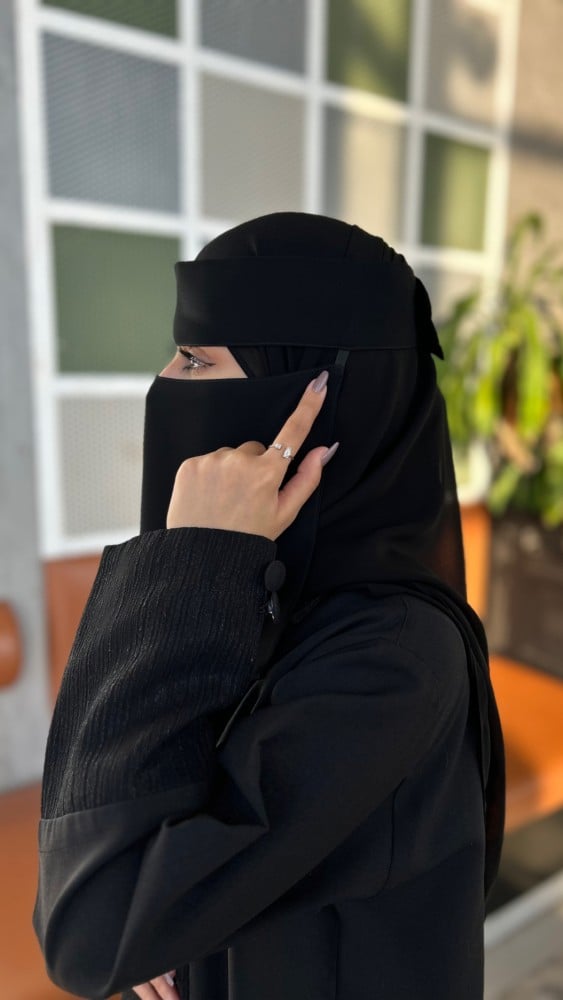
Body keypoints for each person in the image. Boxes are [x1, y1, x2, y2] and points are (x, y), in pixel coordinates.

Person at [32, 212, 505, 1000]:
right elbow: (142, 869)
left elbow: (88, 931)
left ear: (311, 396)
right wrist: (164, 904)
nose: (163, 382)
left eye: (195, 358)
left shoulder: (391, 658)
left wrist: (191, 557)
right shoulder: (266, 589)